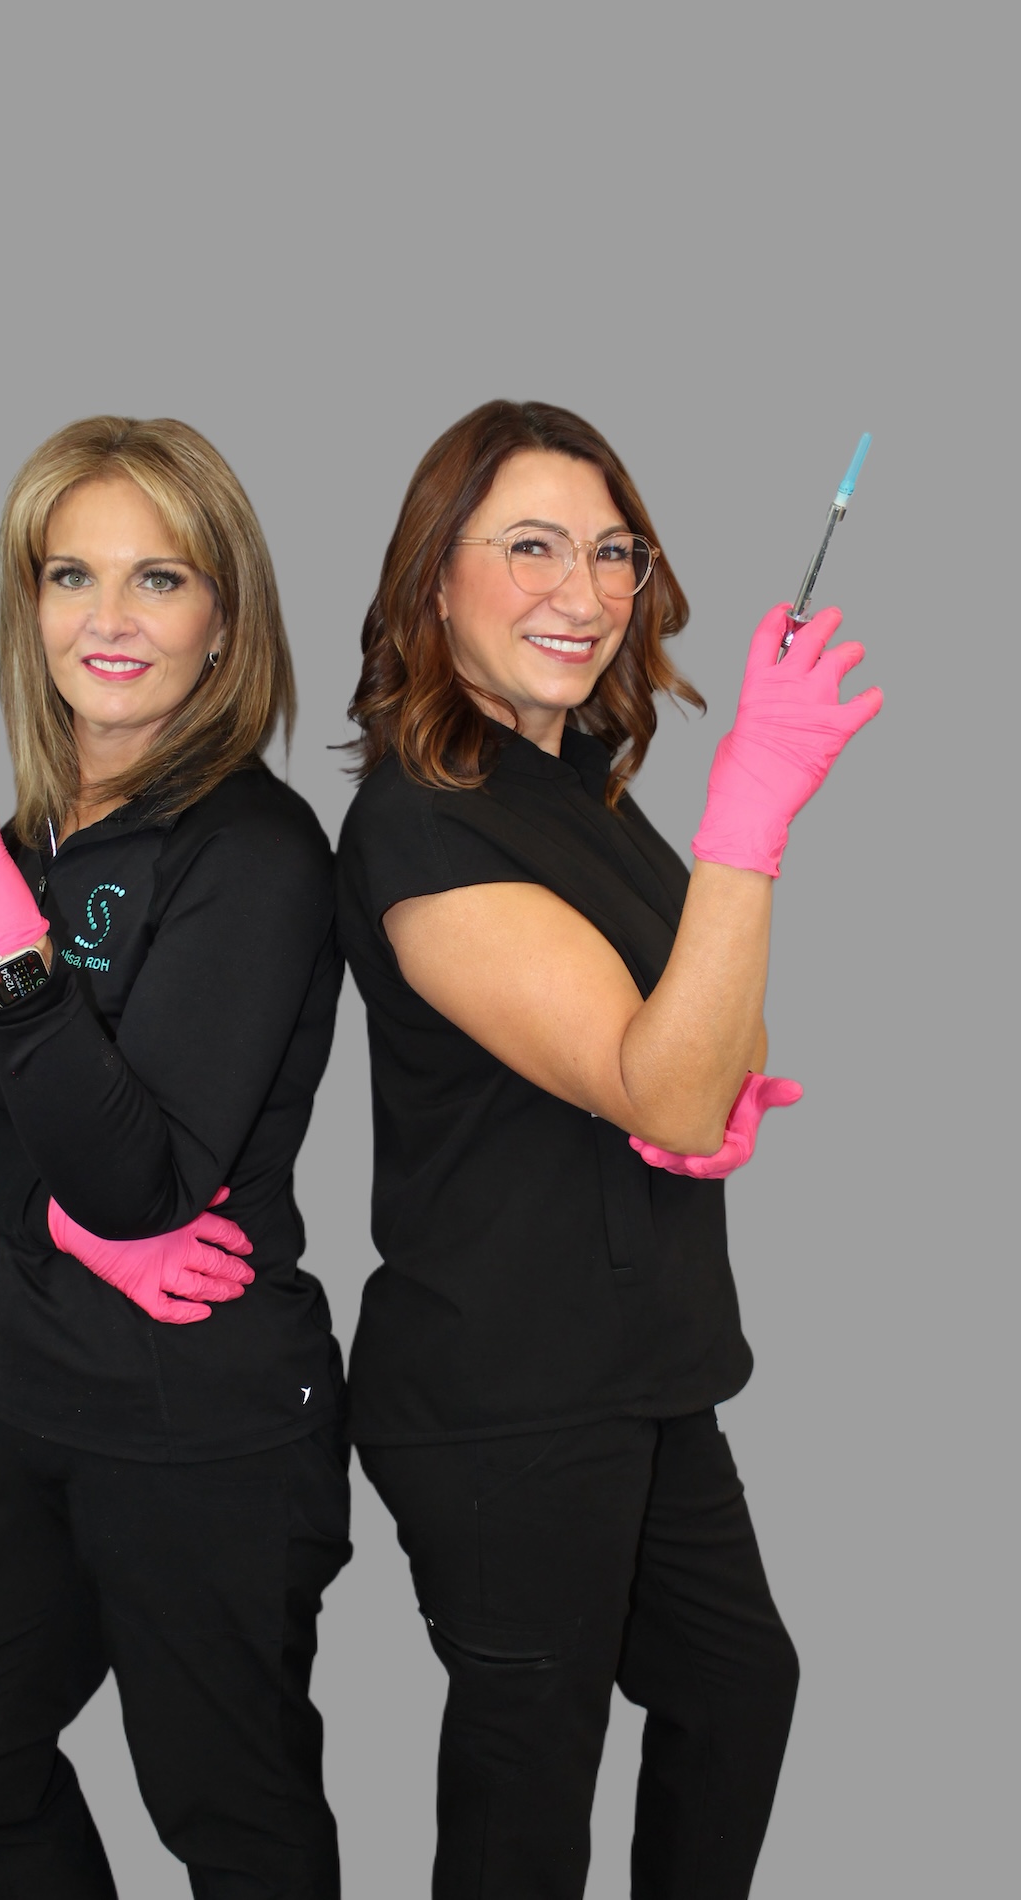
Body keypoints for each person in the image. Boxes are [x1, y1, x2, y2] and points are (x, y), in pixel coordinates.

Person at [336, 399, 882, 1899]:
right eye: (528, 549)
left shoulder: (582, 797)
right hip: (503, 1396)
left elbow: (712, 1055)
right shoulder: (418, 824)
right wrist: (751, 819)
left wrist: (712, 1083)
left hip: (643, 1370)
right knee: (529, 1796)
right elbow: (660, 1089)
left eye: (610, 552)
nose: (581, 596)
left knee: (734, 1690)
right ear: (431, 580)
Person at [0, 416, 350, 1900]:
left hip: (199, 1414)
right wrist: (62, 1236)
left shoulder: (255, 856)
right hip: (25, 1391)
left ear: (224, 621)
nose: (108, 620)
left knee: (231, 1819)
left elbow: (141, 1184)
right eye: (70, 576)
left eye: (160, 578)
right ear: (27, 606)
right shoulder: (29, 834)